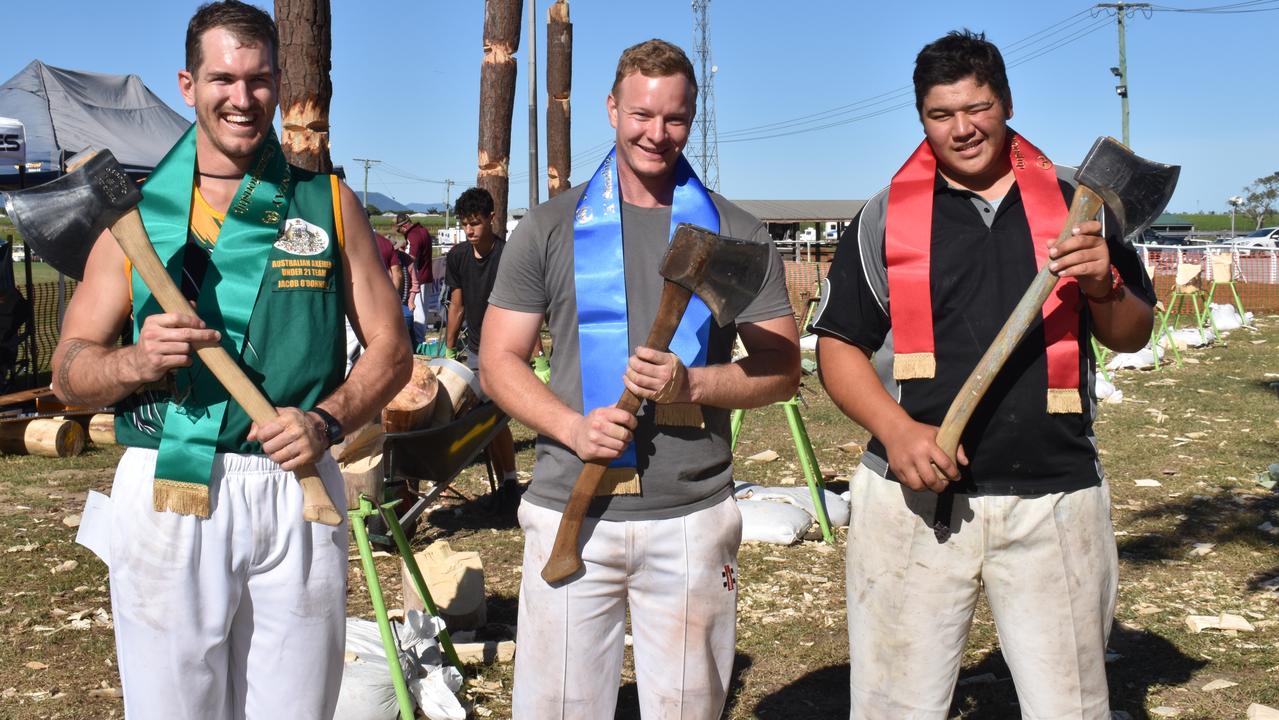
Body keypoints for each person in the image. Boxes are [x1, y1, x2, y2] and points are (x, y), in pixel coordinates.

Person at [50, 2, 410, 718]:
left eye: (259, 79)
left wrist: (329, 423)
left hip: (296, 482)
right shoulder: (135, 219)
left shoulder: (328, 203)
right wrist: (133, 362)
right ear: (188, 84)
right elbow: (68, 374)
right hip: (165, 484)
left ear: (277, 83)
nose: (242, 100)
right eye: (223, 79)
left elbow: (393, 353)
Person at [811, 30, 1156, 719]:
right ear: (920, 119)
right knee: (894, 707)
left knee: (1071, 708)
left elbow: (1131, 332)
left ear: (1005, 103)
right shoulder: (883, 215)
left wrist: (1102, 286)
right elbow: (838, 347)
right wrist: (896, 430)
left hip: (1055, 499)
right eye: (941, 115)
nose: (962, 129)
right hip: (911, 500)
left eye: (978, 107)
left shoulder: (1078, 205)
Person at [481, 38, 800, 719]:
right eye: (641, 115)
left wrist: (695, 386)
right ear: (611, 109)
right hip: (572, 508)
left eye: (675, 118)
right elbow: (498, 360)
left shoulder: (733, 233)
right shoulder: (547, 226)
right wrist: (571, 426)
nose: (657, 134)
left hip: (690, 517)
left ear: (692, 117)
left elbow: (780, 372)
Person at [442, 186, 541, 506]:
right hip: (474, 348)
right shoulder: (457, 256)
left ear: (491, 219)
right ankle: (486, 480)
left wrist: (537, 356)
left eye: (476, 223)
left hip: (508, 349)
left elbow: (528, 306)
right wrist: (447, 349)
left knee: (493, 416)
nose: (469, 230)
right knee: (465, 414)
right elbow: (455, 305)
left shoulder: (508, 255)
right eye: (464, 223)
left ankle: (510, 483)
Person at [395, 210, 434, 338]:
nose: (400, 233)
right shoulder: (423, 230)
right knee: (423, 310)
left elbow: (411, 259)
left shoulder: (413, 236)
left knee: (417, 312)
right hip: (426, 275)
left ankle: (418, 341)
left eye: (399, 230)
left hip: (419, 277)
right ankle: (420, 338)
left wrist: (400, 251)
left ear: (404, 226)